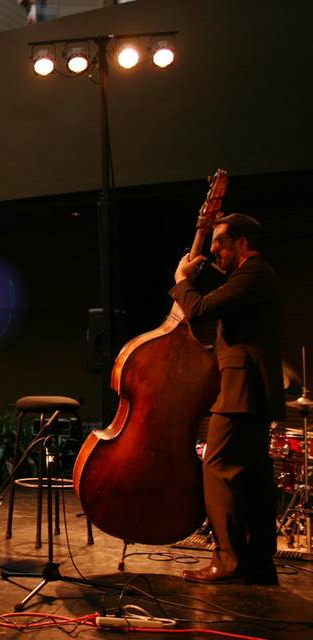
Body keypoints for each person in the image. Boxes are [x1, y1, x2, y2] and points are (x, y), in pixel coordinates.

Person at [171, 213, 283, 585]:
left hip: (241, 390)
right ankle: (257, 564)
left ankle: (228, 561)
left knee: (217, 467)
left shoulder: (254, 274)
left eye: (220, 241)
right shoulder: (253, 275)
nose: (214, 249)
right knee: (253, 479)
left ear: (242, 243)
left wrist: (181, 281)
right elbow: (223, 288)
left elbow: (201, 308)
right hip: (249, 390)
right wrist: (201, 248)